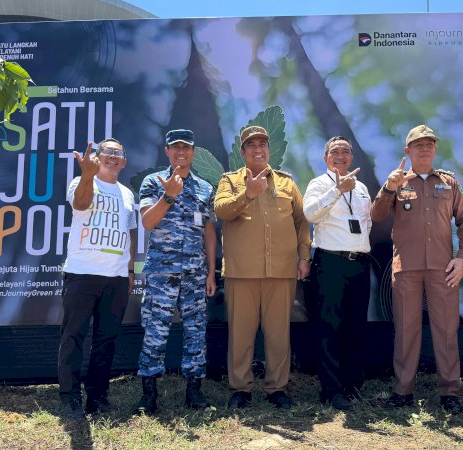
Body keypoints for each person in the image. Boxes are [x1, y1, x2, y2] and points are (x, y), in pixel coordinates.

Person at [370, 124, 463, 414]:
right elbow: (376, 216)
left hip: (444, 269)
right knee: (406, 330)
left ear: (435, 149)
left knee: (446, 329)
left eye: (429, 144)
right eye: (418, 145)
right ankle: (402, 390)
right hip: (407, 268)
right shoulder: (398, 181)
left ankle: (450, 392)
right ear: (408, 151)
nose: (425, 148)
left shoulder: (449, 184)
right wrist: (389, 187)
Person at [214, 125, 311, 409]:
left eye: (263, 144)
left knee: (279, 334)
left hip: (280, 271)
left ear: (269, 150)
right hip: (241, 271)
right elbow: (221, 210)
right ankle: (240, 390)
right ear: (243, 152)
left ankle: (277, 388)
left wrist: (304, 256)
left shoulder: (286, 183)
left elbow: (301, 222)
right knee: (240, 335)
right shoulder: (230, 181)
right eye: (252, 145)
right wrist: (249, 194)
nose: (258, 149)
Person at [135, 129, 216, 414]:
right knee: (155, 332)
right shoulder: (152, 182)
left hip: (195, 272)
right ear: (167, 151)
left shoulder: (205, 188)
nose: (181, 152)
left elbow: (208, 229)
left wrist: (210, 271)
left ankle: (194, 391)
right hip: (161, 273)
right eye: (175, 147)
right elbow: (147, 223)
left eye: (187, 147)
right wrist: (168, 196)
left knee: (196, 331)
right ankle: (149, 394)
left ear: (193, 152)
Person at [58, 138, 137, 419]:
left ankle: (97, 396)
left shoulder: (128, 194)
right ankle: (69, 398)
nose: (112, 157)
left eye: (118, 153)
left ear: (124, 162)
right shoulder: (80, 182)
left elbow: (130, 233)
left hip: (115, 278)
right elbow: (80, 204)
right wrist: (87, 176)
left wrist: (129, 270)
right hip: (82, 273)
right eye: (107, 152)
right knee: (73, 337)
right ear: (97, 157)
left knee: (106, 340)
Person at [303, 136, 372, 411]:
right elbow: (309, 214)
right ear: (326, 158)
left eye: (345, 151)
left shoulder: (363, 188)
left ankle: (352, 386)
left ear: (352, 157)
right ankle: (332, 391)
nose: (340, 155)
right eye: (334, 151)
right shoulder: (318, 184)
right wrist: (337, 190)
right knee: (329, 327)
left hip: (359, 264)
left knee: (356, 326)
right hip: (330, 263)